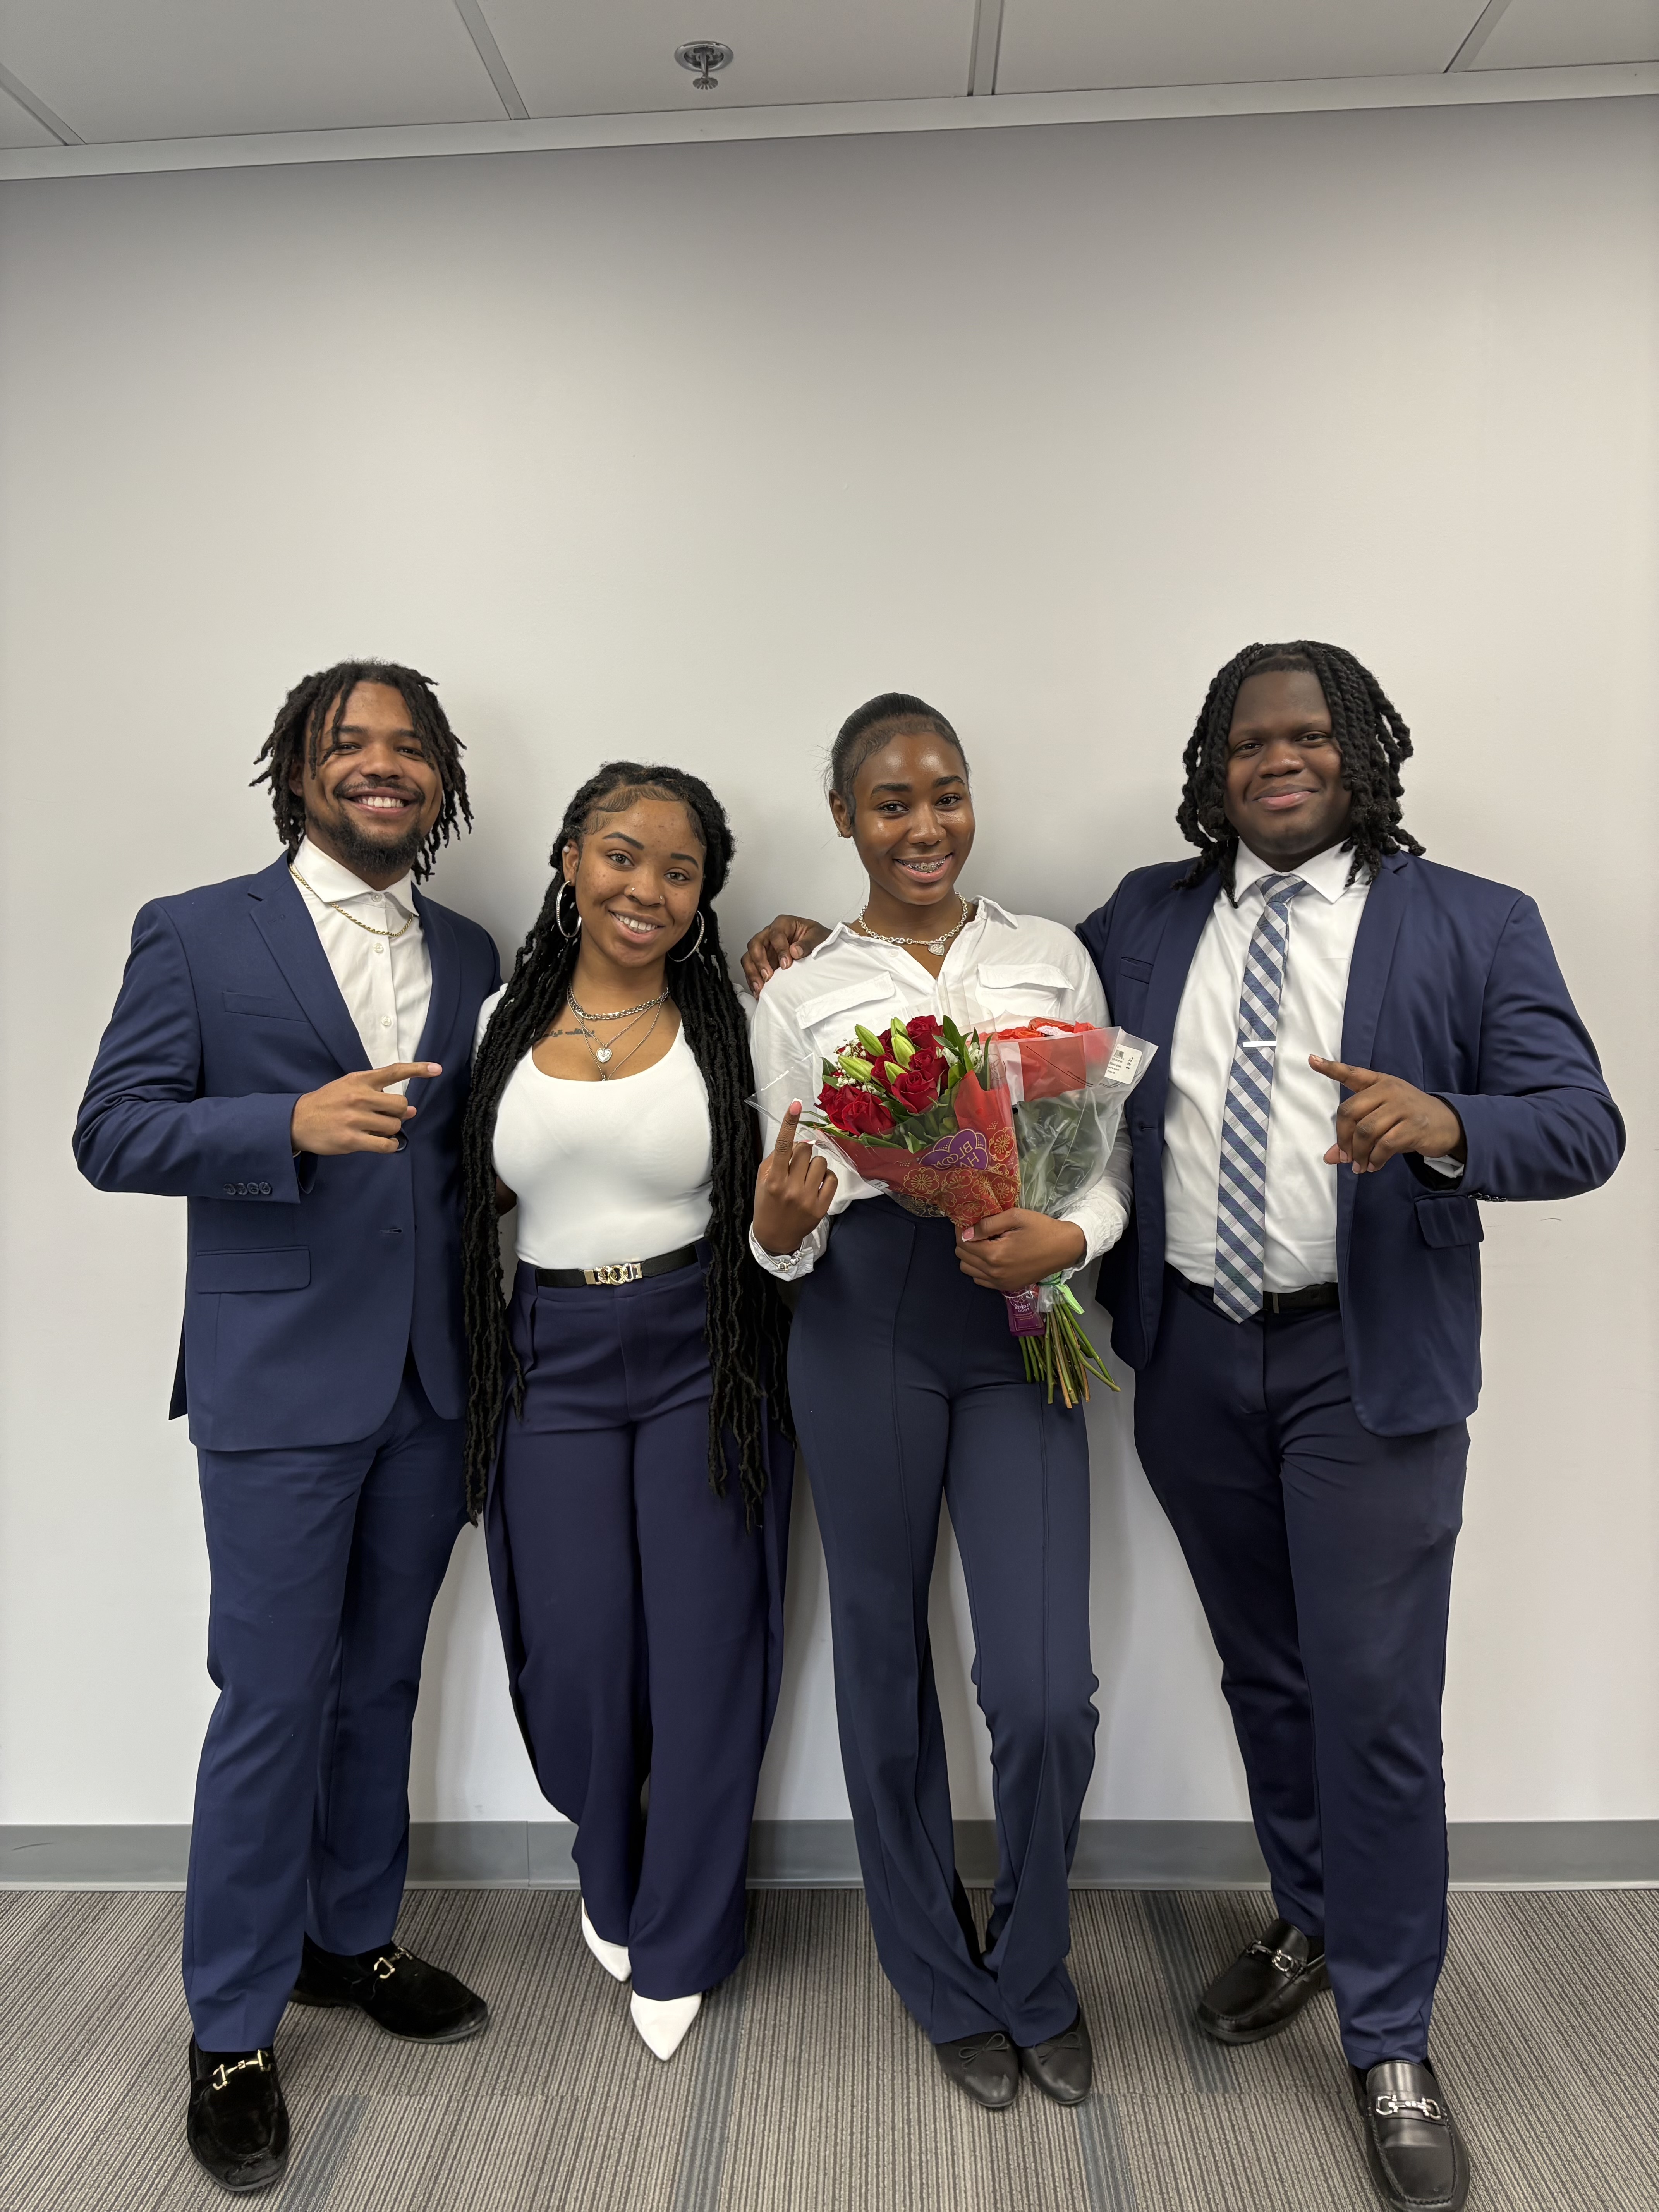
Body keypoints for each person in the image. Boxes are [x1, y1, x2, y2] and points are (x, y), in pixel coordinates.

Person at [1072, 642, 1621, 2210]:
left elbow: (1583, 1124)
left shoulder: (1473, 922)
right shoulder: (1142, 920)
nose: (1281, 759)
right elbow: (1022, 1009)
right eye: (1251, 741)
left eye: (1311, 734)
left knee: (1374, 1703)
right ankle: (1312, 1917)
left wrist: (1450, 1124)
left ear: (1361, 753)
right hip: (1191, 1357)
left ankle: (1390, 2038)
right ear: (1215, 767)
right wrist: (815, 950)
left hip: (1364, 1368)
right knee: (1268, 1674)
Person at [74, 661, 501, 2193]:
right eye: (350, 743)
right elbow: (110, 1131)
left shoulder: (472, 949)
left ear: (441, 779)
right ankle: (233, 2030)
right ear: (298, 770)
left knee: (380, 1682)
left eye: (410, 747)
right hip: (274, 1386)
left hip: (430, 1385)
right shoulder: (197, 932)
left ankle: (351, 1941)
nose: (383, 765)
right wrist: (285, 1126)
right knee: (271, 1699)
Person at [747, 693, 1130, 2113]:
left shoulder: (1051, 957)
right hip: (865, 1323)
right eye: (892, 802)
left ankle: (1033, 1968)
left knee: (1042, 1693)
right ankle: (931, 1974)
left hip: (1021, 1312)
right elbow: (786, 1207)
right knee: (879, 1660)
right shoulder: (798, 990)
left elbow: (1096, 1159)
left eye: (945, 794)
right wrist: (775, 1236)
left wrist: (1069, 1237)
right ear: (844, 818)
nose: (925, 825)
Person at [461, 763, 793, 2064]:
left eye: (678, 870)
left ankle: (686, 1935)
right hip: (548, 1353)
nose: (645, 888)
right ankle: (610, 1865)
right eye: (620, 855)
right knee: (574, 1652)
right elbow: (479, 1198)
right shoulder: (498, 1023)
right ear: (569, 862)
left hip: (702, 1351)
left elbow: (787, 1184)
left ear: (703, 895)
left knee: (706, 1654)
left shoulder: (734, 1022)